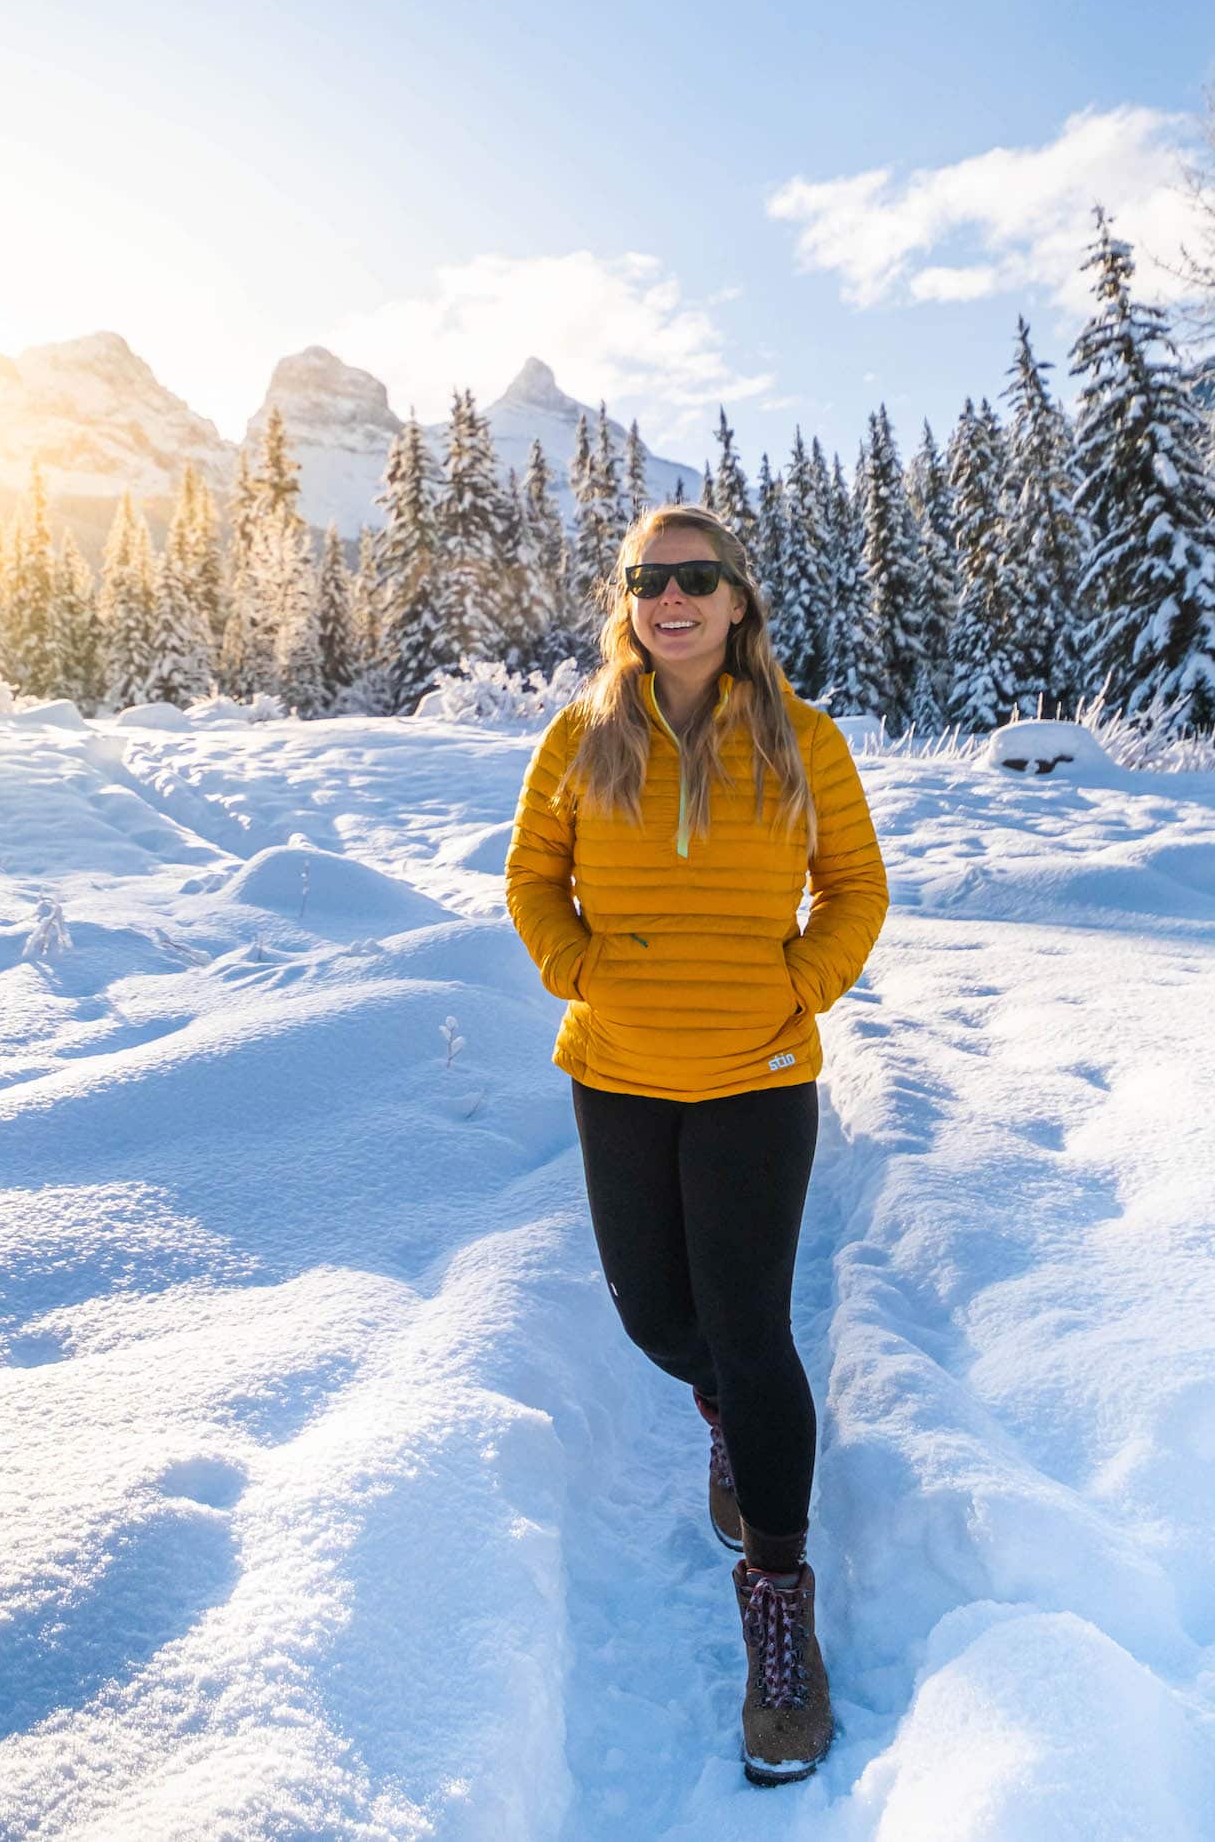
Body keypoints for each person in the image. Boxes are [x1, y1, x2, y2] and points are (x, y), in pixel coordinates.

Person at [504, 502, 888, 1786]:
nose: (672, 598)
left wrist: (802, 989)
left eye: (697, 578)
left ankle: (778, 1600)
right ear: (628, 599)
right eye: (649, 579)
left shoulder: (803, 740)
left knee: (751, 1323)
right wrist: (580, 971)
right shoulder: (581, 734)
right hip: (617, 1072)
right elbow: (531, 878)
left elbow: (857, 888)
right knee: (655, 1318)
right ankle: (718, 1410)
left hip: (754, 1077)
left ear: (738, 602)